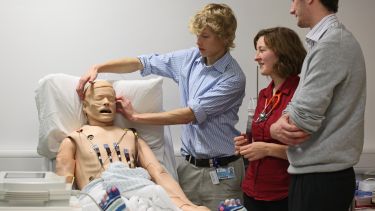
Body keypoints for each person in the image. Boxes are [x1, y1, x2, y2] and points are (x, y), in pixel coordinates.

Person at [76, 3, 246, 210]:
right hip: (188, 167)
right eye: (197, 34)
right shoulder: (190, 58)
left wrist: (137, 117)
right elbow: (142, 62)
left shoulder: (233, 78)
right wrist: (98, 67)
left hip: (221, 171)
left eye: (205, 36)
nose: (197, 41)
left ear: (225, 37)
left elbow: (188, 115)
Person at [269, 1, 366, 211]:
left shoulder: (332, 44)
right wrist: (281, 121)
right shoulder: (326, 42)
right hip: (318, 177)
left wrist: (275, 127)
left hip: (321, 180)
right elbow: (296, 105)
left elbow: (298, 124)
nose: (291, 9)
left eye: (294, 0)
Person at [56, 80, 209, 211]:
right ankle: (114, 205)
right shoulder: (74, 139)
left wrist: (186, 205)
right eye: (99, 98)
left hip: (138, 188)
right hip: (98, 192)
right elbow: (63, 183)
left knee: (156, 195)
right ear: (85, 106)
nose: (106, 102)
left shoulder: (132, 137)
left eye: (110, 99)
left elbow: (159, 172)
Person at [233, 27, 306, 211]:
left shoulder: (301, 94)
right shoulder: (264, 95)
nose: (256, 57)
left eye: (262, 50)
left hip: (283, 194)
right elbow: (261, 139)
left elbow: (308, 152)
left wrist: (266, 149)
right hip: (253, 191)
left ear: (282, 52)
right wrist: (247, 144)